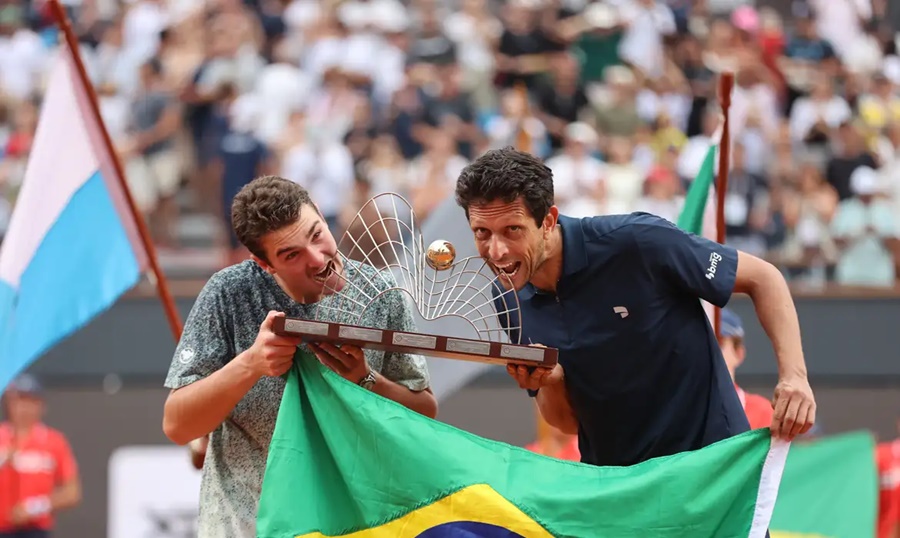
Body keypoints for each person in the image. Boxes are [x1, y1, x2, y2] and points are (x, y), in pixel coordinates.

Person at [454, 147, 816, 469]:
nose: (496, 251)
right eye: (482, 233)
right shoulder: (505, 298)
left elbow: (765, 278)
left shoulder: (636, 241)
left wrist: (794, 376)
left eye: (512, 230)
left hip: (711, 469)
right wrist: (550, 380)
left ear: (547, 221)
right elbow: (566, 423)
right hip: (620, 492)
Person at [162, 175, 438, 537]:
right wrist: (250, 364)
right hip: (248, 527)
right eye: (291, 254)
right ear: (264, 264)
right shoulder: (227, 293)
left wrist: (366, 380)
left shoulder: (383, 292)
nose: (318, 259)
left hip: (353, 522)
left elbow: (425, 412)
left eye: (316, 234)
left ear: (323, 214)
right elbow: (178, 424)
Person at [0, 375, 81, 538]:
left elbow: (72, 492)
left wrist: (34, 508)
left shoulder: (54, 442)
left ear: (41, 406)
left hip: (35, 531)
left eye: (31, 401)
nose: (24, 408)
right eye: (19, 401)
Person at [718, 308, 775, 430]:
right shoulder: (675, 411)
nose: (709, 351)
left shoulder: (763, 412)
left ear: (738, 354)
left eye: (718, 343)